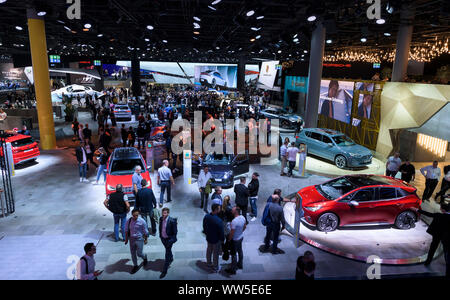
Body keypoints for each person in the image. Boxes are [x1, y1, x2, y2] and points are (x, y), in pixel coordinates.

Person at [125, 208, 148, 274]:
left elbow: (145, 231)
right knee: (133, 253)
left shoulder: (142, 221)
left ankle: (144, 257)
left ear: (139, 214)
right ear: (132, 214)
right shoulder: (128, 221)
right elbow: (126, 230)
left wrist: (146, 239)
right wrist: (126, 239)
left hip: (139, 239)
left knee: (139, 253)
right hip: (131, 239)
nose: (135, 217)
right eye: (134, 215)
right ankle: (135, 265)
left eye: (137, 215)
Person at [203, 204, 225, 273]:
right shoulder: (218, 221)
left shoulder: (206, 216)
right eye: (219, 208)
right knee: (215, 253)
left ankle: (209, 263)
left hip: (209, 237)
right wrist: (222, 239)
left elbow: (204, 227)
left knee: (209, 250)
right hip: (216, 240)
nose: (220, 209)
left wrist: (207, 233)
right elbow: (221, 232)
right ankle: (215, 267)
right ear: (216, 210)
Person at [225, 206, 246, 275]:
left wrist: (229, 240)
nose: (231, 211)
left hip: (235, 240)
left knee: (233, 254)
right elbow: (244, 227)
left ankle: (233, 269)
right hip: (241, 237)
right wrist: (240, 232)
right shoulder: (243, 217)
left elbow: (232, 232)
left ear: (236, 211)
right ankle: (240, 264)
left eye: (233, 210)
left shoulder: (234, 221)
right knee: (240, 251)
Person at [159, 207, 178, 278]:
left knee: (166, 254)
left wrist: (170, 241)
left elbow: (175, 232)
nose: (163, 214)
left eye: (165, 213)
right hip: (163, 239)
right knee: (168, 250)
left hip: (169, 240)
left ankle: (164, 270)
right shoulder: (161, 219)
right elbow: (160, 227)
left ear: (168, 213)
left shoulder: (172, 221)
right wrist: (160, 236)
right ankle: (171, 257)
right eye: (163, 213)